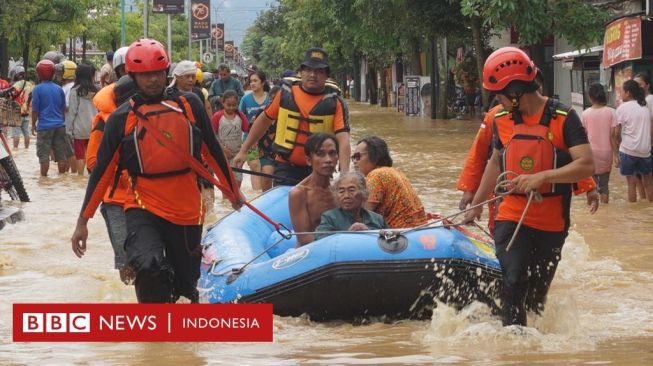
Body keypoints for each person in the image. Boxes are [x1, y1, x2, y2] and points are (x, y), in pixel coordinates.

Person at [71, 38, 243, 304]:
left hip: (185, 205)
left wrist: (233, 192)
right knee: (148, 266)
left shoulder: (190, 105)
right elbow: (102, 172)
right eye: (145, 74)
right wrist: (83, 221)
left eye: (157, 73)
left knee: (186, 288)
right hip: (143, 205)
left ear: (166, 72)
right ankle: (154, 336)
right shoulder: (120, 119)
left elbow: (213, 152)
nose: (152, 80)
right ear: (132, 76)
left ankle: (182, 341)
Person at [462, 47, 595, 326]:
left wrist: (543, 177)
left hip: (551, 222)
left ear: (516, 91)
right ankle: (513, 347)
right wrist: (475, 204)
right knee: (512, 280)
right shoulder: (500, 119)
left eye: (499, 95)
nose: (496, 101)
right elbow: (495, 163)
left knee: (535, 299)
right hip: (510, 215)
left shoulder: (564, 117)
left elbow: (586, 164)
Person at [233, 47, 351, 186]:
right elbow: (264, 121)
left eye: (319, 71)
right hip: (285, 167)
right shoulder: (285, 94)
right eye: (308, 70)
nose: (312, 75)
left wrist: (344, 177)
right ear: (301, 72)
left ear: (327, 75)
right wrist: (243, 150)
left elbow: (343, 141)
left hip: (319, 170)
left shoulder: (335, 102)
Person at [86, 46, 137, 284]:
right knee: (126, 260)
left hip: (148, 196)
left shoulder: (158, 112)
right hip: (115, 198)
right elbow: (93, 163)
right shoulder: (104, 122)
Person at [352, 136, 427, 228]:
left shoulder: (375, 175)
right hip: (421, 228)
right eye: (353, 157)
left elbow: (365, 215)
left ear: (374, 156)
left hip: (400, 233)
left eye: (358, 156)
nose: (354, 161)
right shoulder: (397, 172)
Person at [289, 133, 339, 246]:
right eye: (320, 154)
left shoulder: (340, 189)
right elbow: (304, 238)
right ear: (308, 160)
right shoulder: (299, 193)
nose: (328, 160)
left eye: (332, 153)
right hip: (313, 253)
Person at [315, 172, 388, 240]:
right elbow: (321, 240)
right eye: (341, 191)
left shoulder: (377, 219)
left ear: (364, 193)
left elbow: (391, 241)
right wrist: (347, 235)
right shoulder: (330, 218)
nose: (346, 196)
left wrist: (370, 233)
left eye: (351, 190)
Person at [613, 79, 653, 202]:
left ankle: (633, 211)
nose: (621, 94)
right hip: (645, 150)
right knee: (649, 182)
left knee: (631, 184)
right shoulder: (645, 106)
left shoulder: (622, 108)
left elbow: (615, 134)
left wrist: (617, 151)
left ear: (628, 92)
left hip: (628, 150)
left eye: (622, 92)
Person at [31, 59, 70, 176]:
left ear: (39, 73)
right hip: (59, 126)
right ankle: (62, 179)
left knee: (44, 156)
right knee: (61, 155)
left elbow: (35, 110)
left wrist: (33, 125)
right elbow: (62, 109)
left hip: (44, 127)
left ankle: (44, 181)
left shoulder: (37, 89)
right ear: (53, 73)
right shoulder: (59, 89)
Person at [581, 83, 618, 203]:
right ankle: (605, 211)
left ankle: (593, 216)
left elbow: (583, 136)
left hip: (591, 153)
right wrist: (616, 155)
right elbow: (613, 136)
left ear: (590, 97)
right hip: (606, 153)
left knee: (591, 186)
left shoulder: (585, 114)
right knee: (604, 186)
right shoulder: (612, 112)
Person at [239, 69, 271, 191]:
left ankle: (266, 194)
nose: (252, 83)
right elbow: (240, 118)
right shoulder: (245, 99)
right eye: (250, 81)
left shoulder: (270, 99)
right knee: (254, 167)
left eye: (255, 81)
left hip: (268, 141)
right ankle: (257, 197)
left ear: (262, 83)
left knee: (267, 170)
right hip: (250, 139)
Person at [211, 90, 248, 188]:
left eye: (234, 105)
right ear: (223, 103)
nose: (231, 108)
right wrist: (222, 149)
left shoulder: (240, 116)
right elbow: (213, 135)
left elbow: (247, 130)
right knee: (226, 184)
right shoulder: (217, 116)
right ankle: (226, 202)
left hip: (237, 154)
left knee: (238, 182)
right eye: (228, 105)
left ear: (237, 104)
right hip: (223, 155)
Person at [65, 64, 98, 175]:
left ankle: (79, 179)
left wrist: (68, 130)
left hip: (79, 128)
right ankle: (90, 177)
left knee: (80, 156)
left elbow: (72, 112)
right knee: (92, 154)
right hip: (95, 127)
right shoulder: (97, 90)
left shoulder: (75, 91)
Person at [8, 65, 33, 149]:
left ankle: (15, 149)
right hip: (26, 112)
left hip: (16, 112)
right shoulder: (30, 84)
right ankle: (27, 149)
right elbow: (31, 98)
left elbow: (9, 97)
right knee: (26, 133)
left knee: (16, 134)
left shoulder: (14, 85)